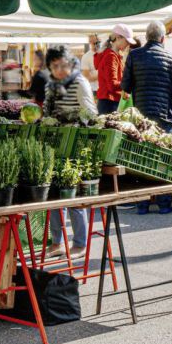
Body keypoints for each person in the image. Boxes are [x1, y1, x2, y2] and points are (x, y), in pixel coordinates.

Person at [122, 22, 172, 214]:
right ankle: (164, 204)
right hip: (164, 115)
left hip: (141, 116)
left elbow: (125, 86)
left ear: (147, 36)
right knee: (163, 159)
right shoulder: (171, 57)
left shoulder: (134, 55)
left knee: (141, 159)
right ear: (162, 38)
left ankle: (142, 205)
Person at [43, 46, 96, 257]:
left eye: (63, 65)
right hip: (56, 144)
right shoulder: (51, 86)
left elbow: (91, 113)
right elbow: (48, 110)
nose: (59, 70)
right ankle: (57, 242)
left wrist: (71, 117)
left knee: (73, 193)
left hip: (76, 144)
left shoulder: (79, 82)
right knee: (54, 193)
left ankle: (80, 243)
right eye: (54, 66)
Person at [95, 25, 134, 114]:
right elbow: (112, 84)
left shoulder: (114, 55)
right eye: (127, 41)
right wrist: (129, 84)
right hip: (109, 102)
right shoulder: (111, 57)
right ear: (118, 37)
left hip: (109, 101)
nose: (128, 44)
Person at [80, 33, 101, 98]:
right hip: (94, 90)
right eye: (94, 42)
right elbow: (87, 78)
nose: (96, 44)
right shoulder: (86, 57)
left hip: (106, 89)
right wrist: (103, 74)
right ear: (90, 42)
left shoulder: (105, 54)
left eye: (98, 42)